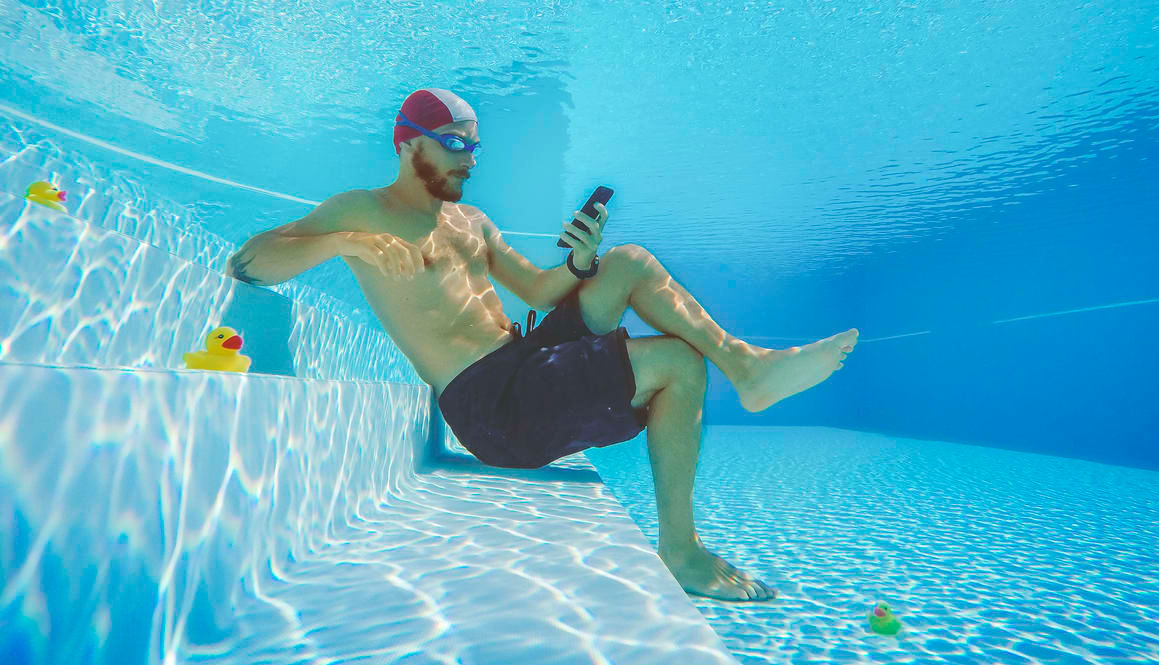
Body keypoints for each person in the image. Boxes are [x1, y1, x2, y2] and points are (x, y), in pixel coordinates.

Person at [226, 88, 859, 602]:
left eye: (474, 147)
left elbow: (535, 287)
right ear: (406, 142)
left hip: (524, 361)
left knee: (627, 261)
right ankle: (680, 551)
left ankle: (748, 369)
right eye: (454, 145)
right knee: (676, 364)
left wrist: (580, 262)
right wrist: (344, 243)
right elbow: (248, 261)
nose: (469, 159)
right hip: (490, 407)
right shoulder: (360, 210)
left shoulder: (471, 222)